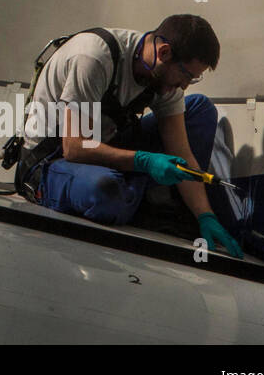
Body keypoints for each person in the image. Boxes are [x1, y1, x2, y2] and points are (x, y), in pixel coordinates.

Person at [17, 13, 243, 258]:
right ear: (164, 52)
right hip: (55, 159)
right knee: (105, 190)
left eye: (193, 78)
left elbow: (182, 153)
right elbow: (75, 147)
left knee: (200, 108)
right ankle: (138, 198)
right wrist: (144, 161)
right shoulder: (94, 58)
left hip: (103, 144)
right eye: (186, 75)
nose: (185, 85)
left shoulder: (163, 77)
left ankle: (144, 198)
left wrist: (205, 215)